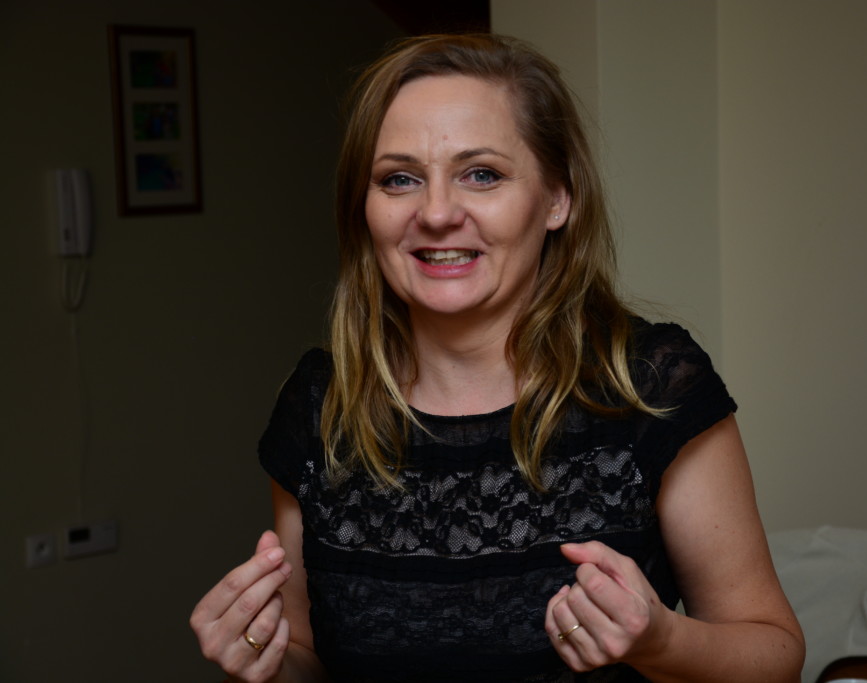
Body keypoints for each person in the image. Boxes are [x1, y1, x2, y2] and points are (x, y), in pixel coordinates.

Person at [190, 33, 804, 683]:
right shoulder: (321, 404)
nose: (436, 213)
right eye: (399, 179)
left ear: (557, 197)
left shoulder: (650, 382)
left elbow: (776, 656)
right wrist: (259, 663)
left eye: (481, 174)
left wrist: (660, 641)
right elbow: (306, 662)